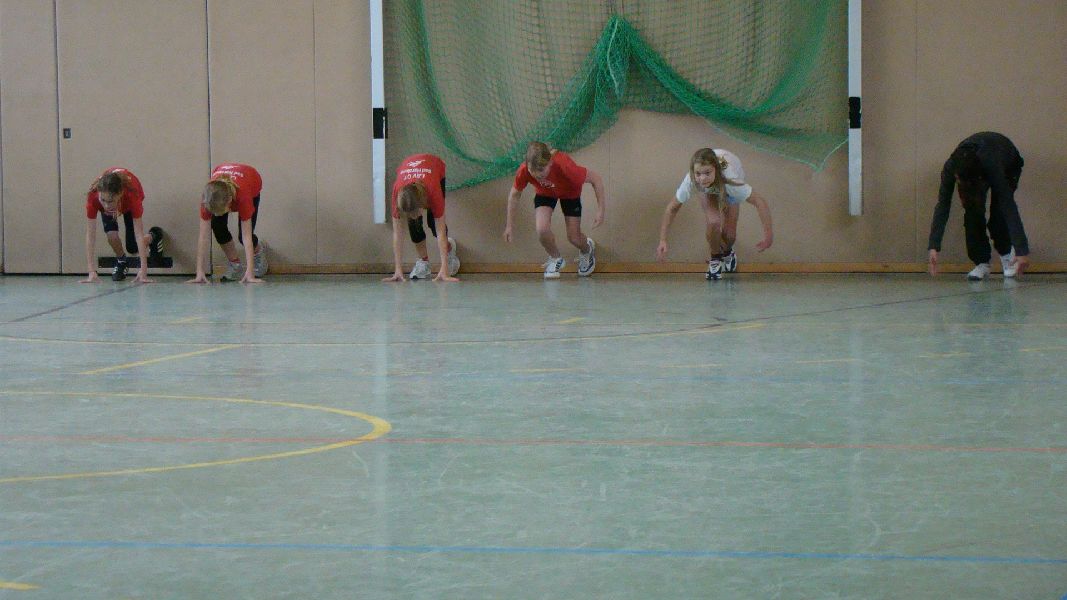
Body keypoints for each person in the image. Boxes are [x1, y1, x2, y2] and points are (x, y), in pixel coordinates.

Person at [655, 148, 773, 280]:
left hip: (726, 183)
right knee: (713, 222)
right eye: (698, 173)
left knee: (729, 235)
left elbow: (759, 201)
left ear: (716, 169)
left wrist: (768, 235)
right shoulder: (692, 180)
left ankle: (727, 252)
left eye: (707, 173)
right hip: (709, 189)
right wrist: (662, 240)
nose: (702, 178)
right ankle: (715, 259)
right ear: (693, 172)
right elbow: (672, 208)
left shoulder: (731, 180)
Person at [927, 132, 1029, 280]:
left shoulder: (992, 166)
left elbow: (1009, 206)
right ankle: (981, 262)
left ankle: (1007, 254)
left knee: (999, 212)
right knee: (972, 211)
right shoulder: (950, 167)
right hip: (981, 163)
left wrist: (1021, 250)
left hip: (1008, 162)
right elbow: (943, 205)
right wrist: (934, 246)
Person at [503, 142, 606, 278]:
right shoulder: (525, 170)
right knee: (542, 229)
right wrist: (509, 225)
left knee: (574, 238)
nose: (537, 174)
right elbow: (514, 195)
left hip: (570, 193)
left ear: (550, 163)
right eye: (533, 171)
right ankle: (556, 258)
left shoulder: (564, 165)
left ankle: (587, 249)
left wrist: (600, 210)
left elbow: (596, 179)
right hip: (545, 193)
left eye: (541, 170)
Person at [383, 154, 460, 283]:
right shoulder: (398, 193)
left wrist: (444, 270)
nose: (414, 216)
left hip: (434, 166)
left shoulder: (433, 190)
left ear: (423, 203)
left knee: (433, 223)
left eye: (416, 212)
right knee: (414, 226)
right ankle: (424, 262)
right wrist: (398, 269)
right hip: (409, 170)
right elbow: (397, 234)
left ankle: (449, 250)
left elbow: (440, 230)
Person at [79, 168, 163, 283]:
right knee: (112, 236)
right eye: (103, 200)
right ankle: (122, 261)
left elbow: (139, 234)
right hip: (112, 197)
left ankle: (154, 235)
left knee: (132, 246)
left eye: (110, 201)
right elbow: (90, 235)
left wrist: (143, 271)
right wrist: (91, 271)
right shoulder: (94, 197)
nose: (106, 206)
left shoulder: (132, 195)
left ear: (120, 194)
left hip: (127, 203)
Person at [188, 163, 266, 284]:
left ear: (230, 201)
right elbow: (203, 237)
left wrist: (250, 273)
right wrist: (200, 272)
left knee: (242, 237)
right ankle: (235, 265)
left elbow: (246, 236)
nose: (218, 215)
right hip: (223, 189)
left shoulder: (244, 197)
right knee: (217, 226)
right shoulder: (207, 199)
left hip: (251, 180)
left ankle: (258, 251)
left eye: (221, 211)